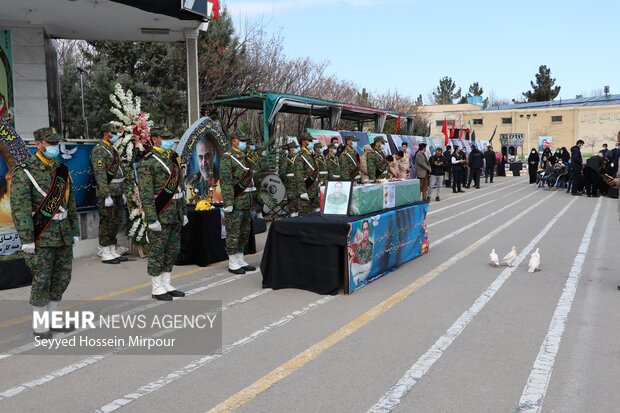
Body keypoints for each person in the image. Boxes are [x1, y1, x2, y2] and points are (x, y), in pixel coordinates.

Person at [10, 127, 80, 338]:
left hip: (62, 233)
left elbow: (71, 203)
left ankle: (53, 320)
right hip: (41, 235)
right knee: (42, 280)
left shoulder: (61, 169)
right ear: (38, 144)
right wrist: (27, 239)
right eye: (50, 144)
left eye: (56, 143)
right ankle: (40, 326)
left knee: (61, 278)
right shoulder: (25, 171)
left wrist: (74, 229)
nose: (54, 147)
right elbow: (20, 208)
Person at [137, 128, 187, 300]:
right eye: (165, 138)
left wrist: (184, 211)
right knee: (158, 251)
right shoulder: (148, 163)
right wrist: (151, 218)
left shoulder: (172, 158)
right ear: (155, 139)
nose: (169, 141)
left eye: (170, 138)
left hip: (176, 213)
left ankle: (167, 283)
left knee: (172, 250)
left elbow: (181, 187)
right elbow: (146, 193)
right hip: (161, 213)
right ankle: (157, 286)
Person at [219, 131, 257, 275]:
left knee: (244, 231)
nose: (244, 143)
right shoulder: (227, 158)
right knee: (233, 232)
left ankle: (240, 258)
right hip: (235, 201)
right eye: (242, 140)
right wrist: (228, 201)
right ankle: (232, 261)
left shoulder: (244, 157)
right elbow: (226, 181)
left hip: (246, 201)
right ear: (234, 141)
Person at [89, 123, 127, 264]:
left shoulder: (111, 149)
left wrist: (122, 191)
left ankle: (112, 250)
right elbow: (100, 175)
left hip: (117, 190)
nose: (115, 135)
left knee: (115, 221)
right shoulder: (99, 150)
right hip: (108, 192)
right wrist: (105, 194)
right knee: (107, 222)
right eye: (113, 133)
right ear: (106, 133)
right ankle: (105, 252)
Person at [295, 133, 320, 214]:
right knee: (304, 214)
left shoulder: (310, 154)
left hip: (314, 187)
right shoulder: (300, 156)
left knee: (315, 213)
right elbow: (298, 174)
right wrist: (302, 191)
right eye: (309, 141)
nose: (311, 142)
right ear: (303, 142)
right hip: (307, 188)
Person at [280, 142, 300, 217]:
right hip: (290, 182)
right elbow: (282, 172)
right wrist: (286, 181)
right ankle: (292, 215)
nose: (295, 149)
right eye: (294, 148)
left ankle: (297, 214)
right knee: (291, 198)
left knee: (298, 198)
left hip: (298, 181)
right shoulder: (286, 159)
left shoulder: (297, 157)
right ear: (290, 149)